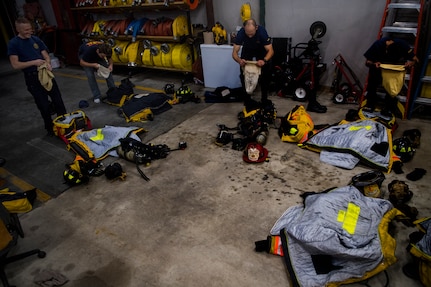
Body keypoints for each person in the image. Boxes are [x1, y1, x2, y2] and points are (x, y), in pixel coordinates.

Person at [8, 17, 67, 136]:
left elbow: (45, 55)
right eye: (26, 30)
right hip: (32, 77)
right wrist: (34, 62)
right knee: (43, 104)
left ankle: (64, 123)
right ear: (18, 29)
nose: (29, 31)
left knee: (58, 100)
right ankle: (50, 128)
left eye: (30, 28)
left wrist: (48, 63)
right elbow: (15, 64)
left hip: (45, 73)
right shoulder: (14, 44)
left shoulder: (35, 39)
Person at [363, 36, 419, 115]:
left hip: (393, 69)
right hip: (379, 67)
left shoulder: (403, 45)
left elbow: (416, 60)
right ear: (386, 49)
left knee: (392, 87)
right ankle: (370, 104)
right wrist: (374, 63)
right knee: (372, 83)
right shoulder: (378, 45)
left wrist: (411, 63)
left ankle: (388, 108)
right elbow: (367, 62)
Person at [232, 19, 274, 105]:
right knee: (244, 74)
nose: (250, 36)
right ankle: (247, 99)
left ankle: (264, 99)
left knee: (265, 75)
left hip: (261, 49)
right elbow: (234, 53)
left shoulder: (262, 32)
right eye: (248, 33)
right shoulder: (241, 33)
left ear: (256, 28)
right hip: (248, 49)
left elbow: (271, 51)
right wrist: (240, 61)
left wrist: (264, 60)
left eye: (252, 33)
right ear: (244, 28)